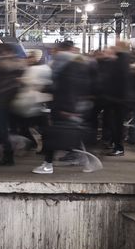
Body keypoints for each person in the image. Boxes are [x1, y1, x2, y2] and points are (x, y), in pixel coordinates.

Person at [32, 41, 92, 174]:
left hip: (63, 106)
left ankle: (48, 165)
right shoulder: (79, 65)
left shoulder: (63, 64)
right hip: (74, 106)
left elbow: (61, 87)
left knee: (52, 135)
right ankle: (86, 162)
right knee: (70, 134)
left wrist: (44, 88)